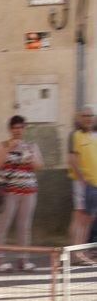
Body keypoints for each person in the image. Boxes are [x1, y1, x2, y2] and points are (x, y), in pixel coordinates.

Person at [0, 115, 43, 272]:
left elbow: (39, 165)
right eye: (15, 127)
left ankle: (24, 260)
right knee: (2, 225)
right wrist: (10, 149)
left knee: (24, 226)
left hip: (28, 191)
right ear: (10, 129)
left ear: (25, 129)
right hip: (8, 192)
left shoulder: (32, 145)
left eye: (21, 127)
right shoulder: (3, 145)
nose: (18, 130)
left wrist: (29, 154)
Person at [68, 106, 97, 265]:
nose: (88, 118)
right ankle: (75, 254)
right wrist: (82, 179)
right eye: (85, 115)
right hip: (83, 184)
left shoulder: (93, 136)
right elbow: (72, 159)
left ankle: (81, 253)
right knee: (80, 219)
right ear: (80, 118)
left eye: (90, 115)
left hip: (94, 184)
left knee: (87, 219)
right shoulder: (76, 135)